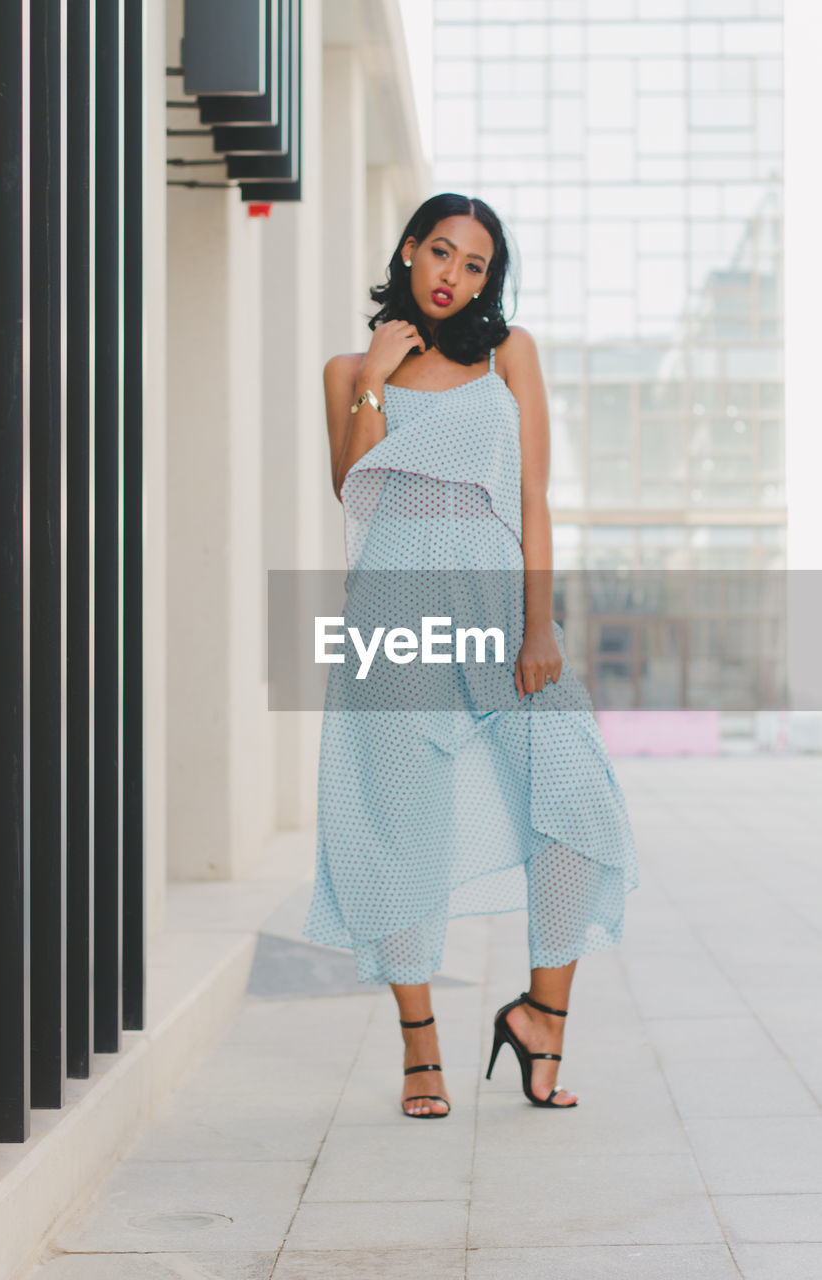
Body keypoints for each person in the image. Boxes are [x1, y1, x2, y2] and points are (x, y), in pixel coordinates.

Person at [303, 192, 638, 1118]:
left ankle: (540, 1017)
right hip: (394, 622)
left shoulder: (507, 355)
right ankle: (419, 1052)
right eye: (440, 253)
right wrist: (375, 373)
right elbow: (352, 487)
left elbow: (532, 499)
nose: (453, 276)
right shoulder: (345, 370)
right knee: (398, 828)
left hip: (498, 612)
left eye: (475, 264)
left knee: (575, 806)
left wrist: (541, 626)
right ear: (409, 251)